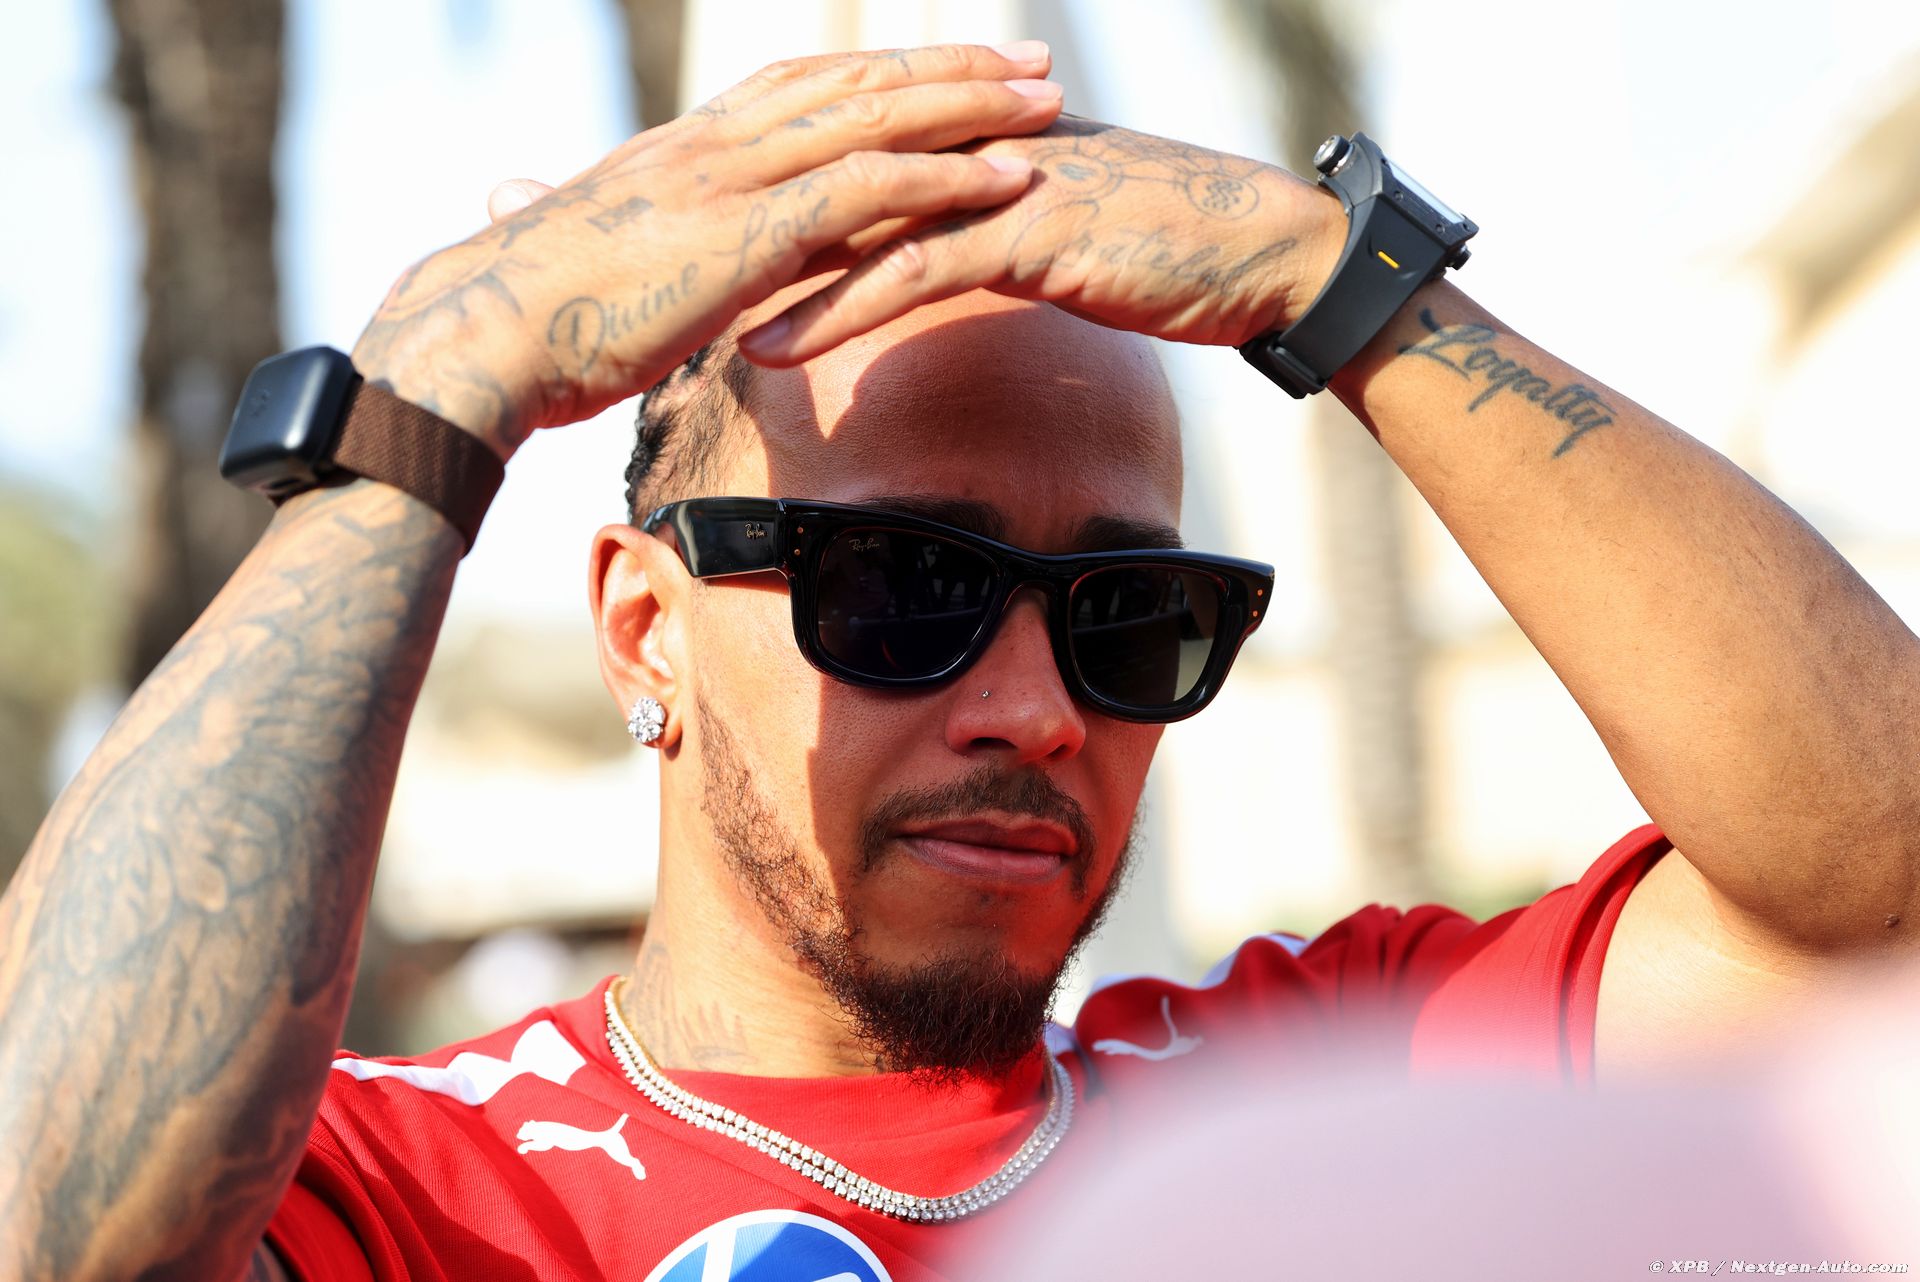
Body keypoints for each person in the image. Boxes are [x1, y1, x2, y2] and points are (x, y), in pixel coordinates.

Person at [1, 40, 1914, 1282]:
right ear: (645, 630)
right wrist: (430, 404)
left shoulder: (1320, 1102)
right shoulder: (416, 1188)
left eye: (1132, 617)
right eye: (901, 588)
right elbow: (56, 1206)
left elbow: (1865, 893)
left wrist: (1350, 287)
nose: (1034, 710)